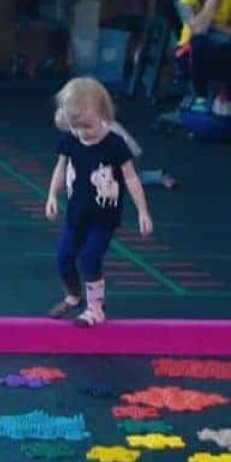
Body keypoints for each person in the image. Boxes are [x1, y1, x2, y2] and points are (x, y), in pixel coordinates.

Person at [45, 77, 154, 327]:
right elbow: (60, 168)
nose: (83, 133)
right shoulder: (71, 140)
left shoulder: (114, 144)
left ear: (105, 115)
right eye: (76, 127)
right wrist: (52, 195)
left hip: (103, 218)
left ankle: (96, 308)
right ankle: (73, 296)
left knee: (90, 258)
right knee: (64, 257)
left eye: (88, 126)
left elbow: (131, 178)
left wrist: (143, 212)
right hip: (76, 213)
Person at [177, 0, 231, 113]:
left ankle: (226, 98)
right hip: (190, 51)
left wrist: (212, 25)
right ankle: (199, 96)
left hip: (222, 47)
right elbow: (198, 30)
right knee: (200, 41)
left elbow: (203, 25)